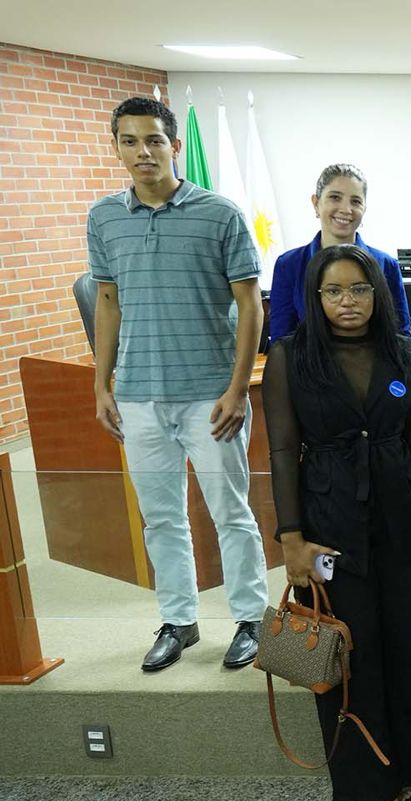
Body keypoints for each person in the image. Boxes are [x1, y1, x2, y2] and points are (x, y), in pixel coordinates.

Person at [262, 244, 411, 801]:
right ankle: (368, 784)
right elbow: (281, 453)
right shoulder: (290, 357)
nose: (349, 302)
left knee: (402, 642)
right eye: (335, 291)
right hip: (329, 521)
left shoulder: (398, 347)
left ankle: (403, 767)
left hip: (402, 516)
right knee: (351, 651)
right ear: (315, 298)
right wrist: (290, 539)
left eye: (360, 289)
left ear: (378, 292)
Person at [88, 96, 269, 672]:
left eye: (153, 140)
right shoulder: (103, 217)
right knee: (161, 517)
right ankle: (179, 620)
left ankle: (250, 618)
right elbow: (108, 303)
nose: (142, 151)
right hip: (139, 396)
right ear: (117, 147)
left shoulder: (220, 213)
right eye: (129, 141)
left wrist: (238, 389)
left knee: (229, 512)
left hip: (210, 395)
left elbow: (249, 306)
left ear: (175, 145)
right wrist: (102, 385)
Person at [267, 164, 410, 343]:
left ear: (364, 209)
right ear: (316, 203)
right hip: (307, 368)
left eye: (356, 201)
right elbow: (281, 340)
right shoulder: (289, 264)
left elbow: (400, 336)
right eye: (335, 197)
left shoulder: (386, 264)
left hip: (374, 368)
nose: (346, 209)